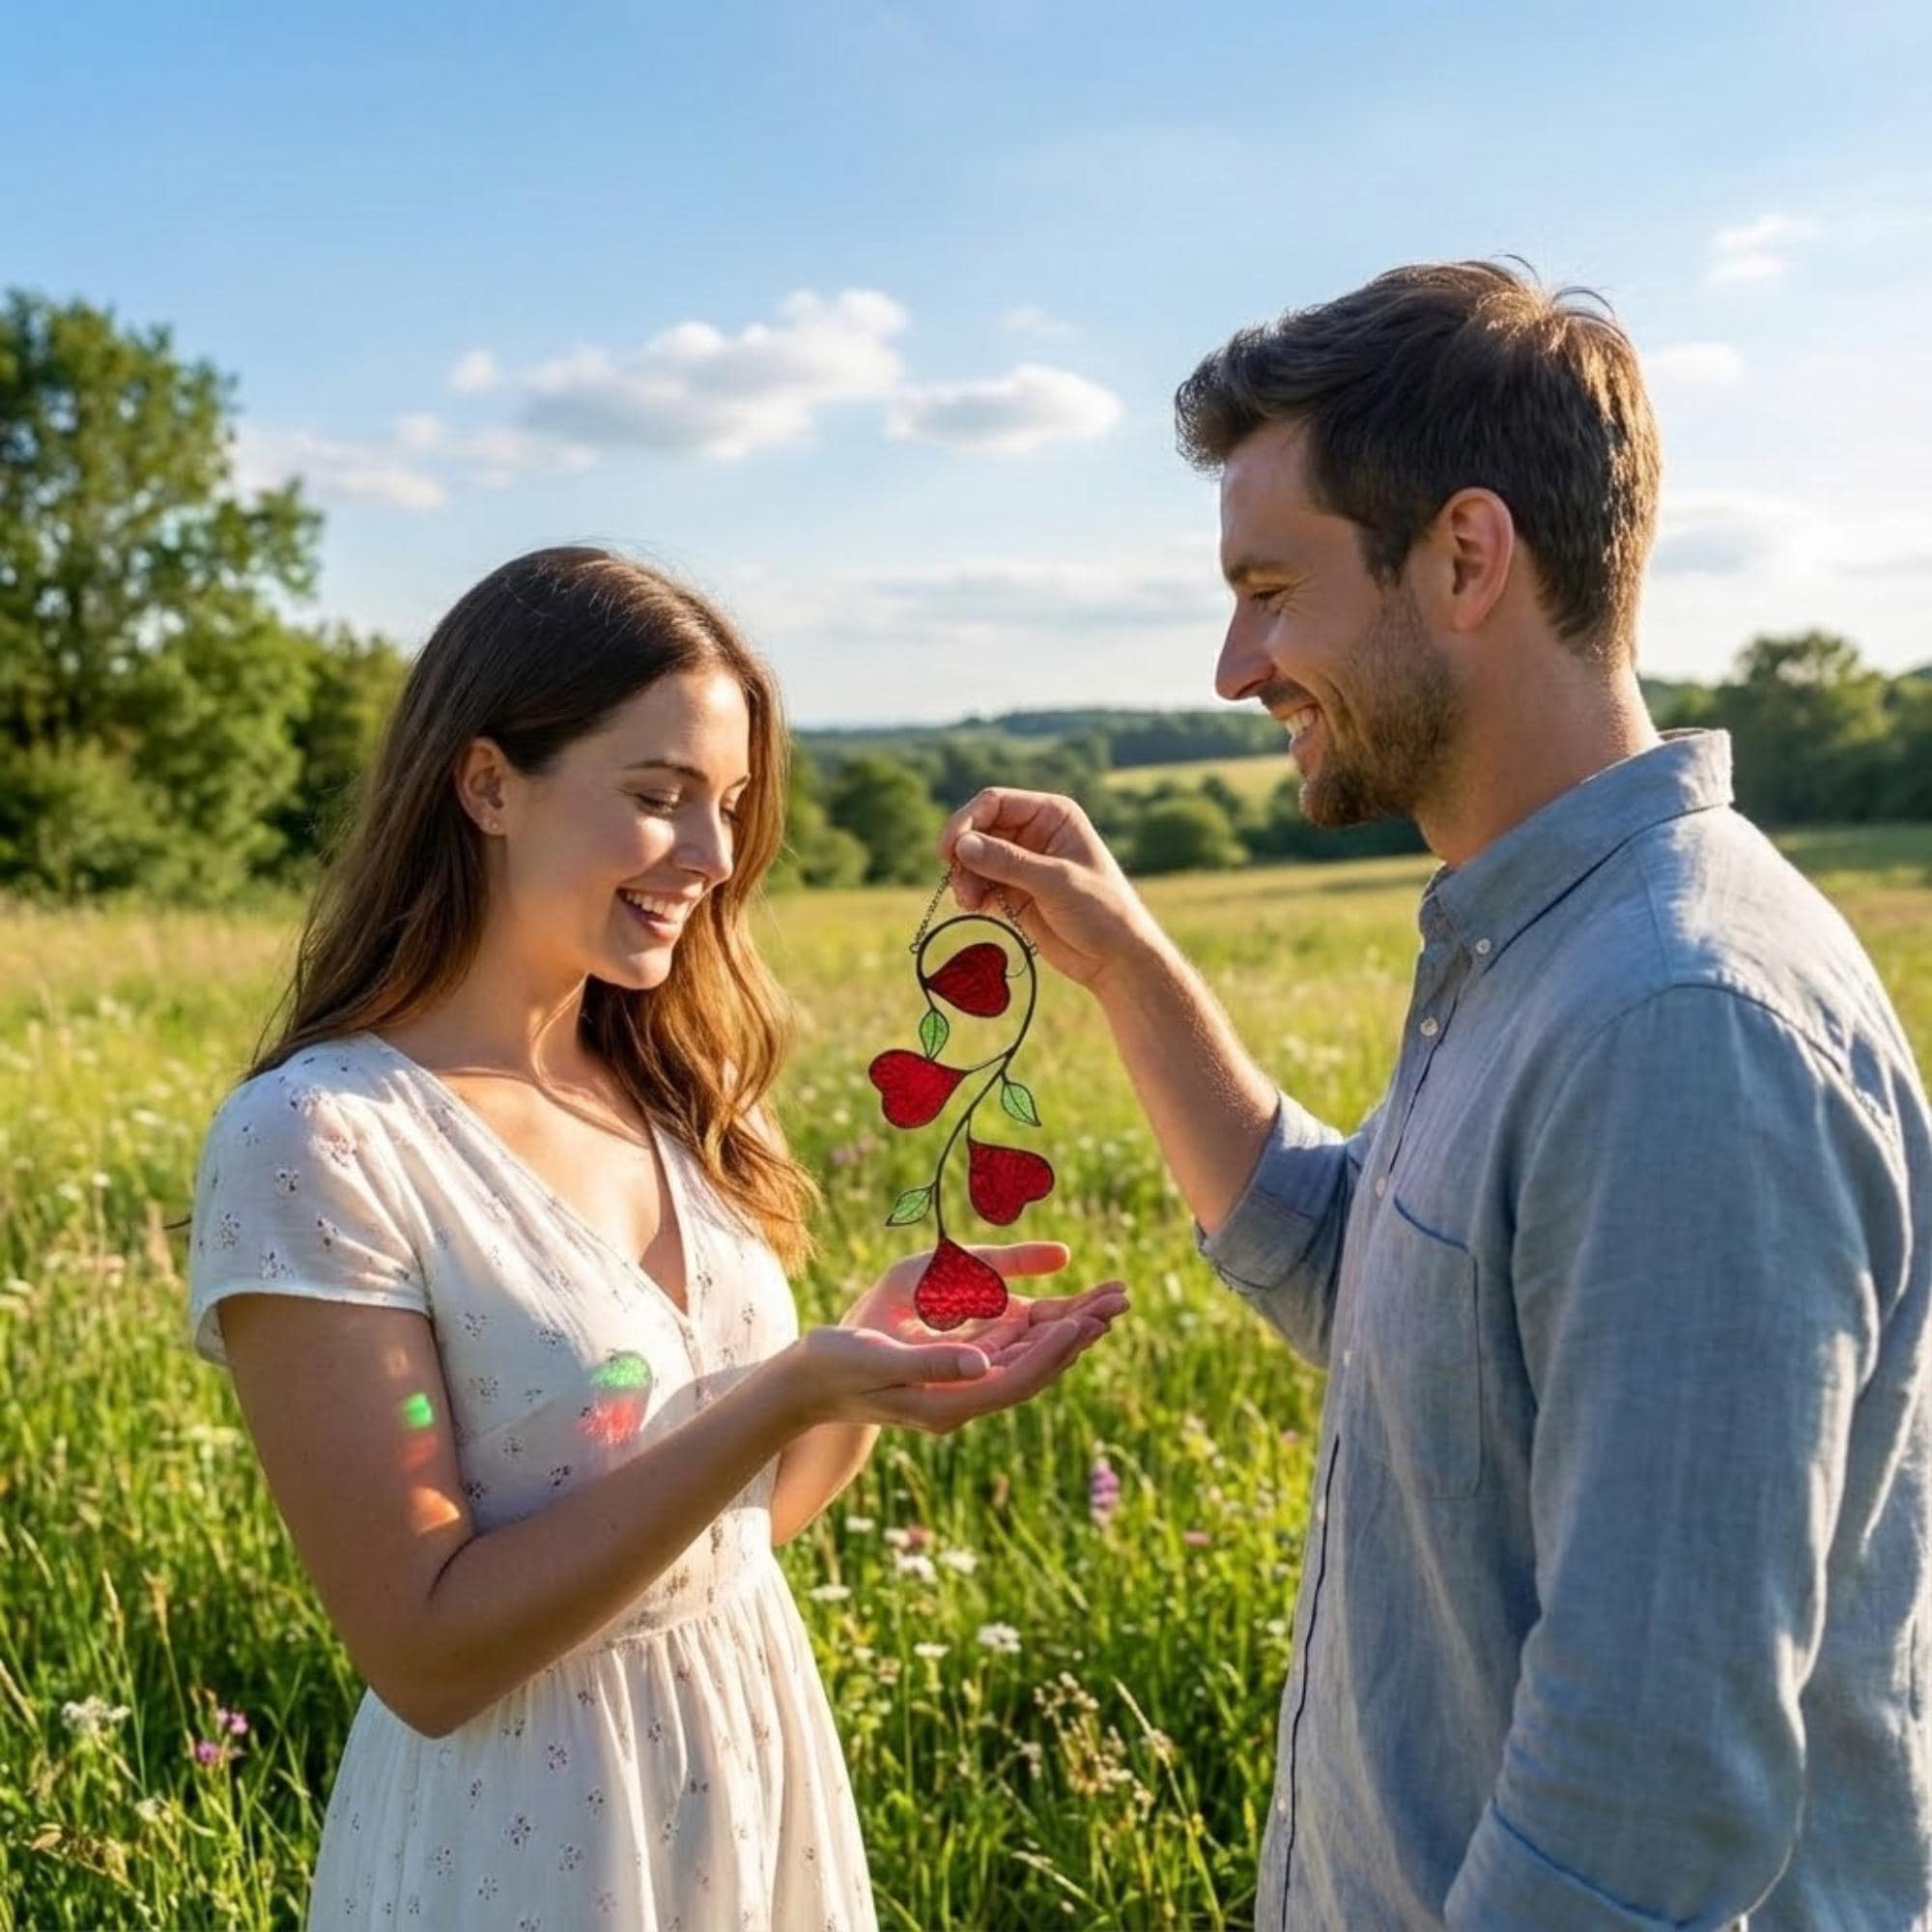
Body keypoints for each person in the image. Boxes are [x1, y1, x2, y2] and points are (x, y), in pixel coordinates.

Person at [939, 262, 1932, 1929]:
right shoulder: (1540, 946)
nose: (1233, 665)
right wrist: (1123, 964)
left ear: (1466, 556)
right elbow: (1368, 1282)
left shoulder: (1680, 1020)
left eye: (1270, 587)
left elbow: (1645, 1804)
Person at [184, 545, 1127, 1932]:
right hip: (526, 1851)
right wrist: (789, 1388)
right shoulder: (320, 1139)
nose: (713, 855)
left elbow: (725, 1541)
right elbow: (426, 1652)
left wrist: (861, 1371)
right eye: (658, 797)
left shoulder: (677, 1092)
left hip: (747, 1785)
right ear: (488, 783)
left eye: (731, 805)